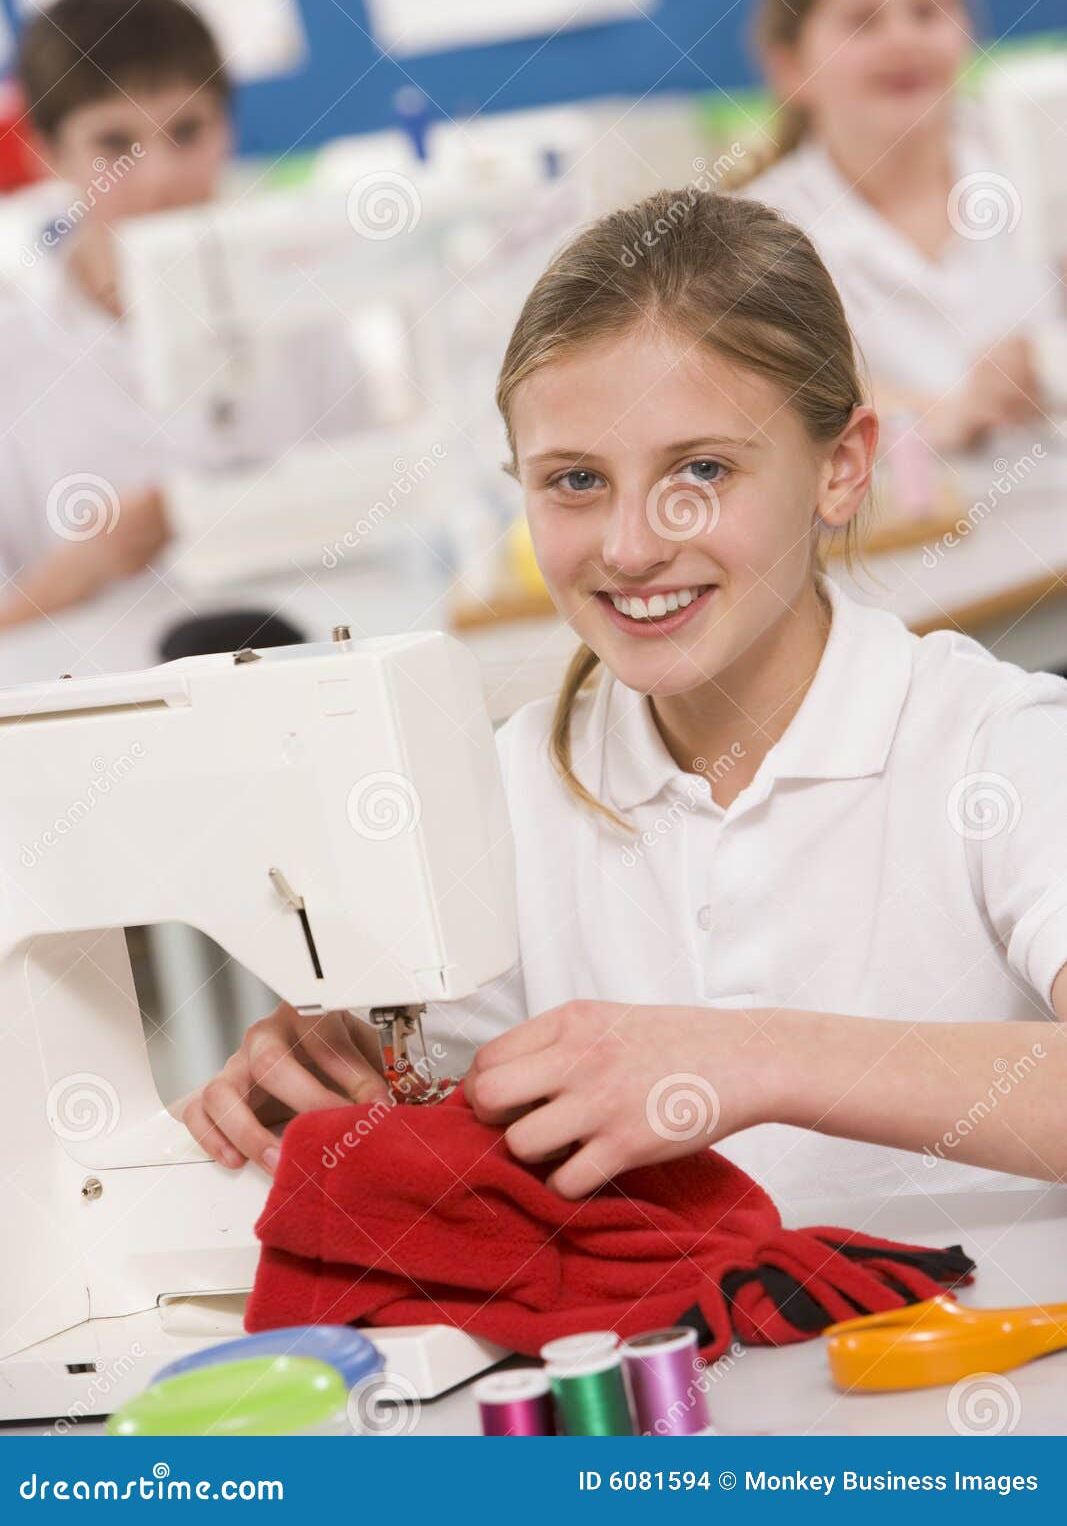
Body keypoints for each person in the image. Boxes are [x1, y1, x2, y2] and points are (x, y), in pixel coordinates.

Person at [179, 189, 1067, 1205]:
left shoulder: (994, 749)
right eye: (572, 481)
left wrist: (757, 1056)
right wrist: (301, 1081)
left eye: (700, 468)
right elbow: (407, 1083)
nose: (632, 545)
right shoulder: (504, 800)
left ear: (840, 468)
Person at [0, 0, 367, 629]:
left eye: (187, 131)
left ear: (227, 129)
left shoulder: (304, 313)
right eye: (115, 144)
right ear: (47, 153)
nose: (162, 177)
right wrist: (90, 564)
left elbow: (376, 518)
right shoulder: (14, 357)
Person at [736, 0, 1055, 453]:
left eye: (927, 12)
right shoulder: (757, 240)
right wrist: (951, 415)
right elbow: (768, 408)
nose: (903, 39)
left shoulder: (1039, 155)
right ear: (790, 66)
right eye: (864, 21)